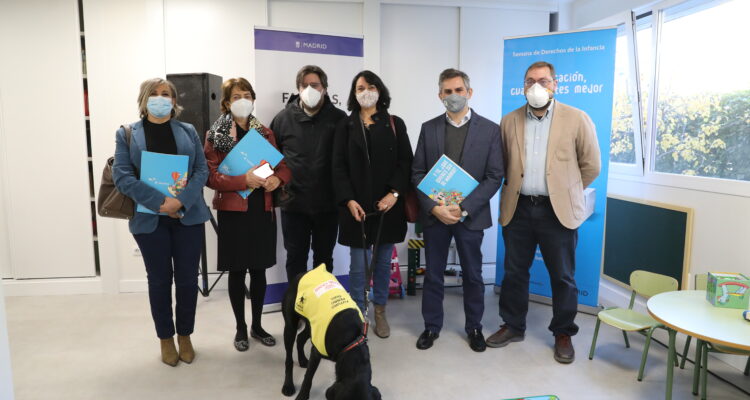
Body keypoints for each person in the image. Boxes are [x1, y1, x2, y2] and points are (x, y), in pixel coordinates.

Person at [487, 61, 601, 364]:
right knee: (514, 272)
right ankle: (513, 325)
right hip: (519, 208)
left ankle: (563, 332)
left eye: (543, 80)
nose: (536, 86)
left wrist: (565, 192)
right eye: (530, 81)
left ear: (555, 85)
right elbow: (501, 163)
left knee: (562, 276)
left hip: (557, 211)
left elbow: (591, 165)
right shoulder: (509, 121)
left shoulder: (576, 118)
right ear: (523, 86)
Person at [113, 78, 211, 366]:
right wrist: (161, 202)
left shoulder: (188, 131)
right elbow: (122, 176)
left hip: (188, 216)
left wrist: (180, 201)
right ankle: (165, 338)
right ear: (144, 100)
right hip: (149, 220)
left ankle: (185, 335)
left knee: (187, 280)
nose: (160, 98)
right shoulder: (127, 133)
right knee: (159, 281)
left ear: (174, 100)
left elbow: (201, 170)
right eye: (154, 94)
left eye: (166, 94)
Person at [411, 68, 503, 352]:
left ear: (469, 92)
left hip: (471, 217)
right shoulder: (429, 128)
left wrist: (463, 208)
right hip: (436, 217)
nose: (454, 96)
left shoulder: (490, 130)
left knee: (473, 275)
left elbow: (494, 176)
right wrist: (433, 208)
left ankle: (474, 327)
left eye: (459, 90)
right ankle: (431, 326)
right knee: (433, 274)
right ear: (440, 95)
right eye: (448, 91)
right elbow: (417, 173)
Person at [204, 78, 292, 351]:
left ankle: (257, 325)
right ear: (226, 102)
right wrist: (244, 180)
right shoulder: (215, 135)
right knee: (237, 270)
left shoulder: (265, 133)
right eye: (236, 96)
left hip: (261, 210)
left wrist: (278, 179)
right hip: (233, 211)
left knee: (259, 269)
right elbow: (210, 177)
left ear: (253, 99)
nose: (242, 100)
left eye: (247, 95)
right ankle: (240, 328)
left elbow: (283, 166)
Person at [332, 70, 413, 338]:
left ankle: (379, 310)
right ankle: (358, 313)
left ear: (379, 90)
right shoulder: (345, 125)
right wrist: (348, 199)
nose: (365, 92)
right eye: (359, 88)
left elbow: (406, 162)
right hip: (356, 209)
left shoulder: (394, 123)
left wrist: (395, 194)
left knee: (382, 264)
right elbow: (337, 167)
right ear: (353, 94)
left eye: (370, 86)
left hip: (387, 207)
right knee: (358, 266)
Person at [270, 65, 347, 280]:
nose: (310, 89)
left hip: (328, 205)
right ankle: (297, 301)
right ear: (298, 88)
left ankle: (321, 301)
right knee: (296, 259)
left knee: (324, 260)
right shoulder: (282, 119)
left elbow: (346, 160)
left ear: (324, 88)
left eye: (315, 85)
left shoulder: (339, 119)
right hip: (293, 204)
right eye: (305, 85)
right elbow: (271, 159)